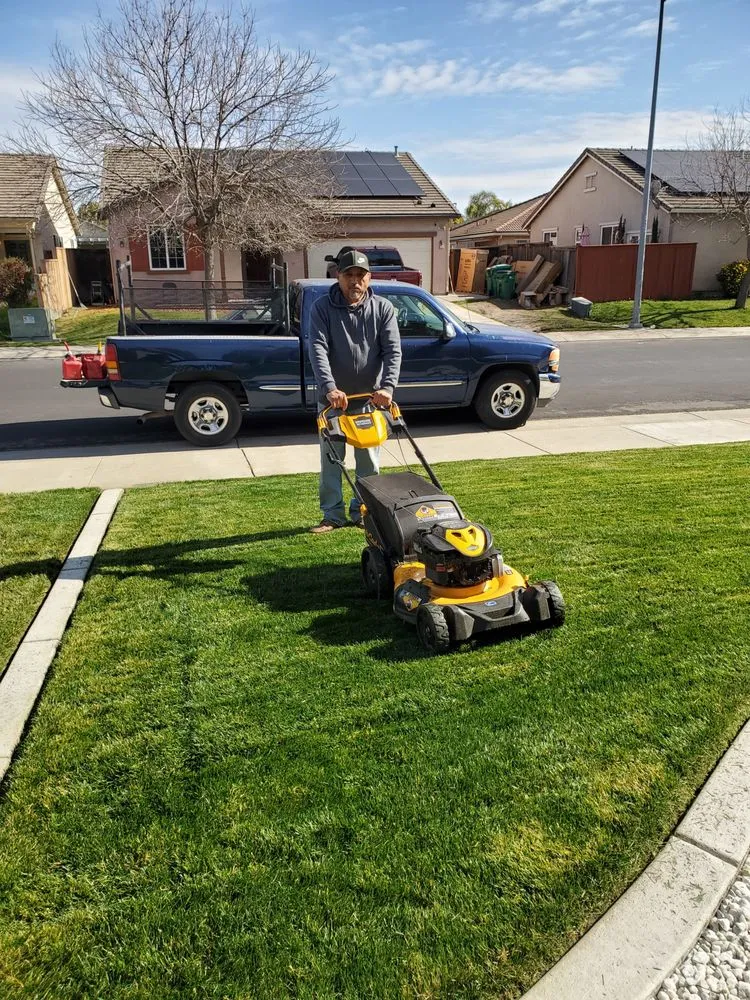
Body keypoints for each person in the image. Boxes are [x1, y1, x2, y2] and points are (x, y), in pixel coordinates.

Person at [308, 249, 402, 533]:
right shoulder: (322, 308)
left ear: (369, 278)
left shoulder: (383, 308)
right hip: (333, 404)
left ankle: (363, 512)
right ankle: (332, 516)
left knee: (369, 466)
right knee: (332, 463)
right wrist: (329, 388)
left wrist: (387, 387)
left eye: (360, 275)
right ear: (338, 276)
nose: (355, 281)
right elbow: (318, 349)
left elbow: (392, 351)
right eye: (349, 275)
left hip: (369, 402)